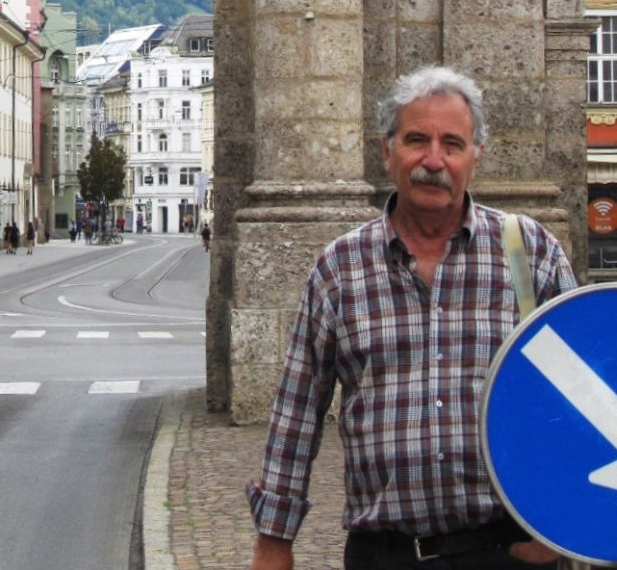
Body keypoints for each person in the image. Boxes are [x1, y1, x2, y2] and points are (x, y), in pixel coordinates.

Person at [246, 65, 576, 570]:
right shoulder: (340, 267)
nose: (433, 160)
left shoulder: (529, 253)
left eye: (453, 144)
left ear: (476, 156)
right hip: (387, 554)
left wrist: (559, 528)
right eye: (416, 139)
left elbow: (581, 400)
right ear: (387, 149)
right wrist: (274, 542)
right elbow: (297, 412)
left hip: (506, 550)